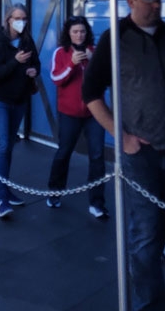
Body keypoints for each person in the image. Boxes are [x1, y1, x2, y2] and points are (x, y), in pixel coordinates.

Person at [82, 0, 165, 311]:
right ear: (131, 1)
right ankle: (151, 304)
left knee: (164, 224)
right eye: (149, 0)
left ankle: (146, 277)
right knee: (145, 232)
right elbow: (91, 94)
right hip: (140, 152)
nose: (156, 5)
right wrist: (122, 136)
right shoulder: (114, 38)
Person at [46, 14, 107, 218]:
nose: (79, 35)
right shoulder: (60, 53)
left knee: (97, 156)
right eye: (75, 32)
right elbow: (56, 79)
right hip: (69, 113)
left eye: (82, 31)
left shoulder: (96, 52)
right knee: (64, 153)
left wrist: (94, 62)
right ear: (69, 34)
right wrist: (71, 63)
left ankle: (97, 202)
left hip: (94, 112)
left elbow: (107, 77)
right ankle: (54, 193)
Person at [0, 3, 41, 218]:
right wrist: (14, 62)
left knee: (8, 147)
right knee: (2, 145)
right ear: (8, 19)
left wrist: (34, 70)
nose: (21, 21)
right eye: (17, 17)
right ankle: (2, 198)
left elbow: (36, 62)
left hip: (19, 99)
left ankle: (4, 190)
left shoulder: (27, 41)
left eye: (24, 18)